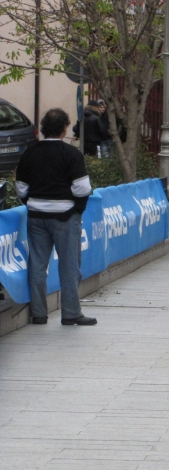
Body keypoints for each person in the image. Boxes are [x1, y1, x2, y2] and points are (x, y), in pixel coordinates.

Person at [16, 107, 97, 326]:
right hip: (65, 216)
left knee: (37, 265)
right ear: (64, 129)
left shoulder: (30, 153)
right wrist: (76, 209)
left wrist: (34, 204)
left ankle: (39, 314)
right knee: (69, 267)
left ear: (42, 128)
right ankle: (71, 314)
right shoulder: (71, 154)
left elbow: (21, 189)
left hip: (36, 216)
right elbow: (82, 188)